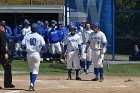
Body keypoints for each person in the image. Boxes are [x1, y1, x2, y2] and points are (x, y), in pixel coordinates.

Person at [21, 23, 46, 91]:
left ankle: (32, 84)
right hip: (36, 54)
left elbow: (22, 46)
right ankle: (32, 83)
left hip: (28, 54)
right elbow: (44, 47)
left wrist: (27, 48)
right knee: (35, 70)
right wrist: (40, 49)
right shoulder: (40, 36)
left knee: (31, 69)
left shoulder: (27, 36)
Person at [0, 22, 15, 88]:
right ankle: (7, 83)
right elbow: (3, 45)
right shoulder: (2, 33)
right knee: (8, 67)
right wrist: (5, 53)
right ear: (2, 27)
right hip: (1, 54)